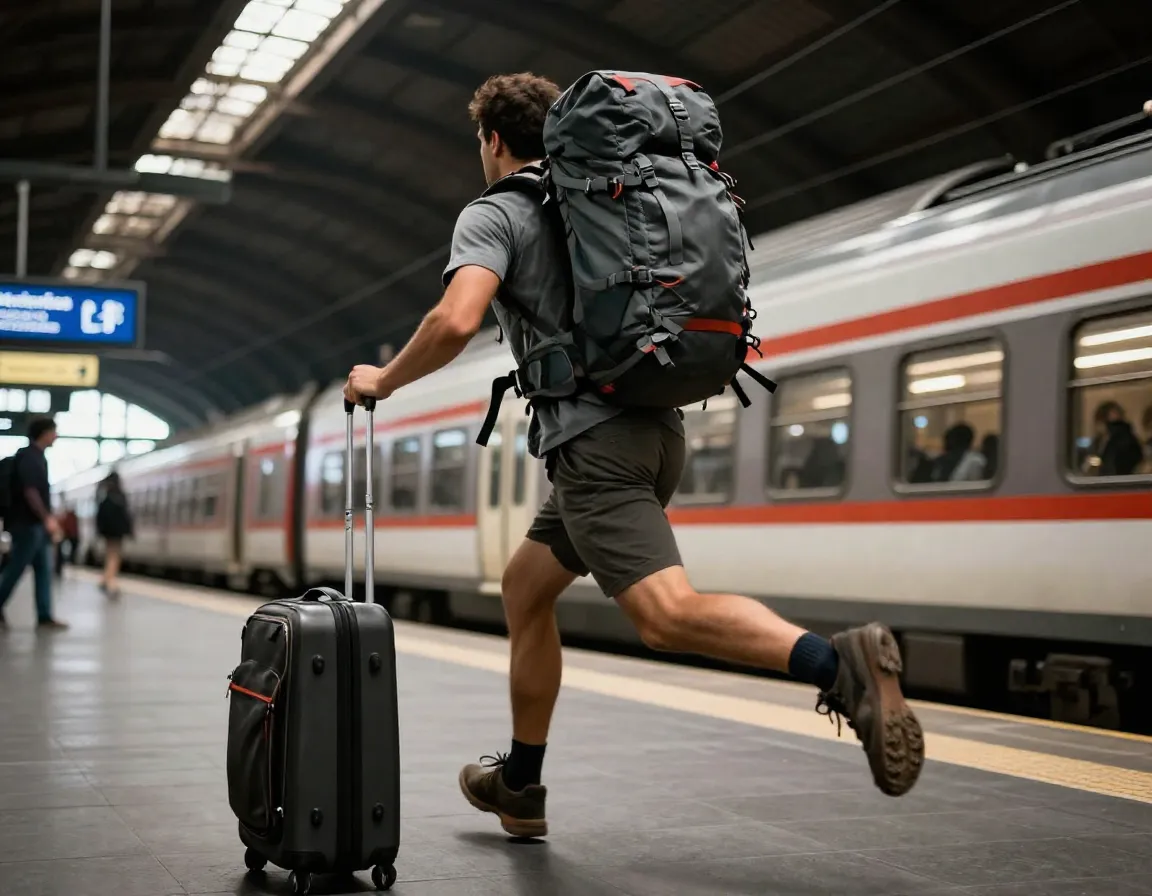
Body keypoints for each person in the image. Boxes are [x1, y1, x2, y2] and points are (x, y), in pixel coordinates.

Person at [344, 72, 925, 839]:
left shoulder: (496, 214)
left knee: (665, 616)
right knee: (526, 586)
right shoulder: (611, 197)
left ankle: (838, 665)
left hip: (595, 448)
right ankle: (520, 784)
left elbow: (455, 322)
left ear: (491, 140)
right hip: (656, 431)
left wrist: (382, 377)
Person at [0, 417, 68, 630]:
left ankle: (45, 615)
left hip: (34, 526)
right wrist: (47, 517)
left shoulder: (38, 457)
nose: (56, 436)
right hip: (27, 525)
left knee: (43, 570)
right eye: (54, 432)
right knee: (15, 568)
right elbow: (30, 491)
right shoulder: (29, 457)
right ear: (45, 433)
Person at [95, 471, 132, 597]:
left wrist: (100, 531)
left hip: (107, 533)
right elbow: (126, 516)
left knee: (109, 555)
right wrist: (130, 531)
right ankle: (110, 581)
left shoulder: (104, 498)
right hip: (117, 533)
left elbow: (100, 517)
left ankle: (105, 579)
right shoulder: (120, 497)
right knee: (114, 557)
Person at [55, 503, 80, 578]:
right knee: (71, 552)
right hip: (71, 536)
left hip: (68, 535)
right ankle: (70, 564)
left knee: (64, 551)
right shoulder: (73, 517)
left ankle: (60, 568)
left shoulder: (67, 517)